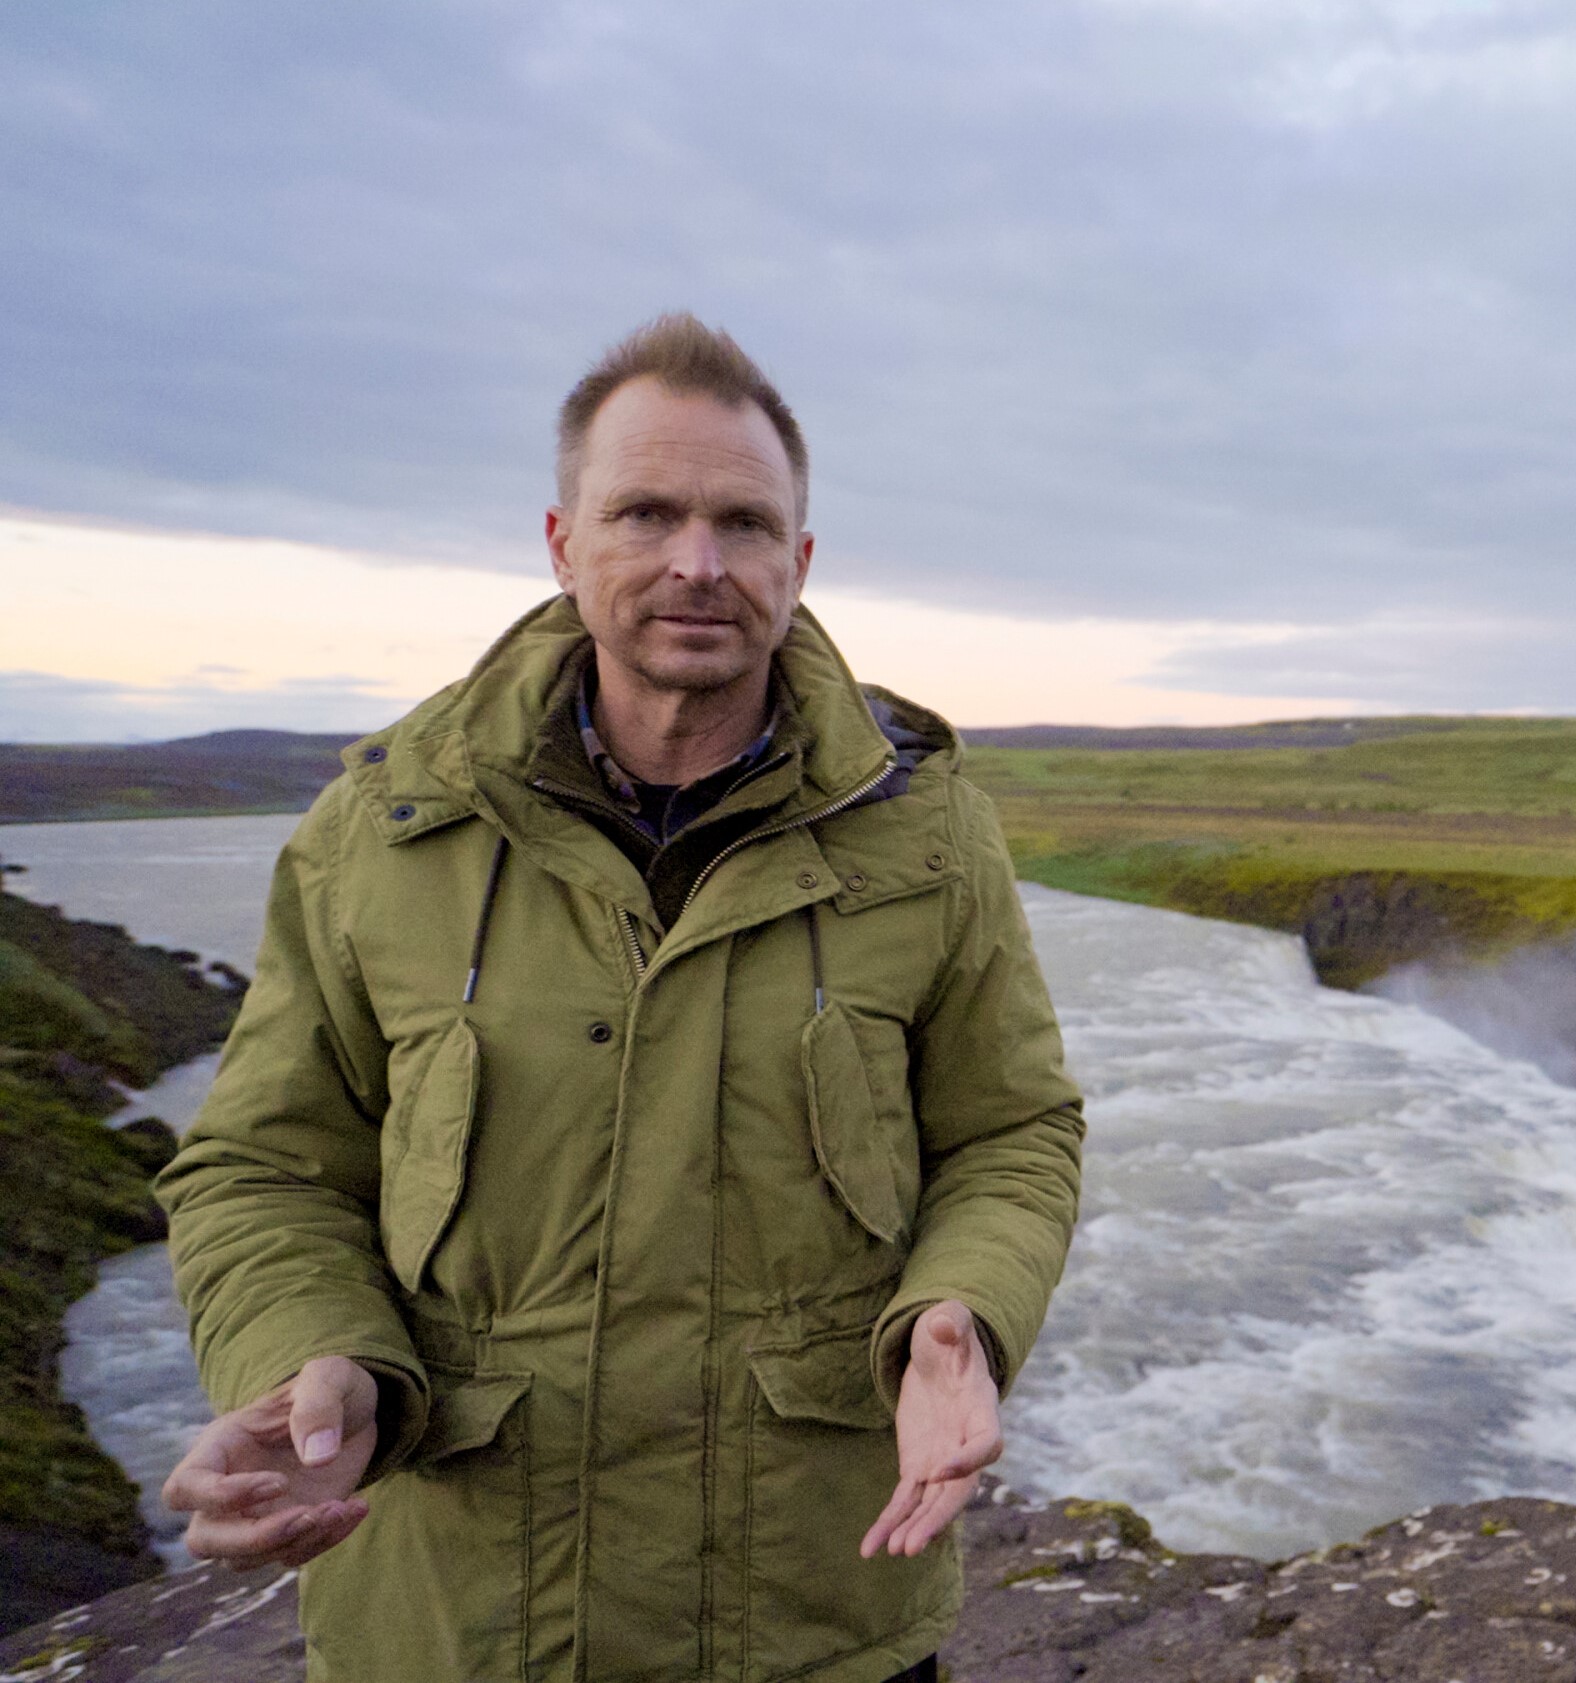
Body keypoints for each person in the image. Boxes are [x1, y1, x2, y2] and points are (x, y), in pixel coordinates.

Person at [156, 314, 1086, 1683]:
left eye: (744, 523)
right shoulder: (382, 833)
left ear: (801, 559)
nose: (697, 565)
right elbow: (261, 1166)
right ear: (562, 543)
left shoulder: (928, 832)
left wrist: (962, 1310)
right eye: (646, 513)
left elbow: (1013, 1131)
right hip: (462, 1627)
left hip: (815, 1623)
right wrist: (317, 1358)